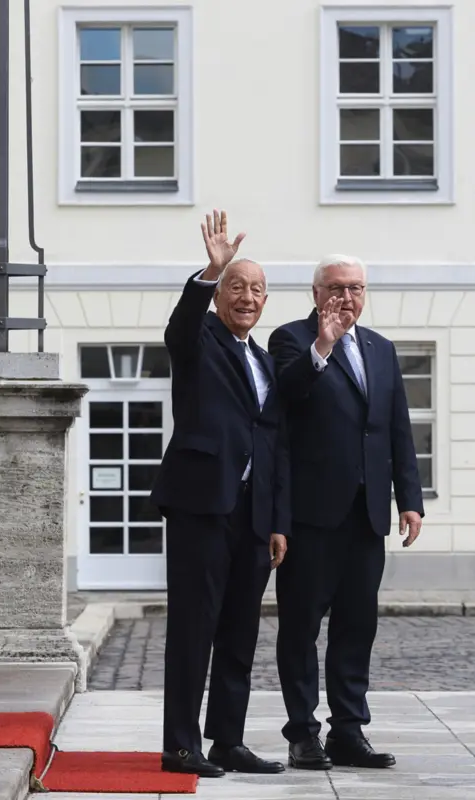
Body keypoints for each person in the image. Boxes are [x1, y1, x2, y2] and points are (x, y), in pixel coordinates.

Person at [267, 254, 424, 771]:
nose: (346, 298)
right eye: (336, 288)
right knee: (300, 629)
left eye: (355, 288)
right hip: (310, 517)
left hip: (367, 515)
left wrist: (411, 499)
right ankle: (303, 733)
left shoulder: (381, 349)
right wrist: (324, 345)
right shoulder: (290, 340)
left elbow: (396, 426)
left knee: (357, 627)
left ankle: (349, 731)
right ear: (315, 293)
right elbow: (287, 398)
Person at [149, 210, 290, 778]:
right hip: (200, 506)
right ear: (220, 295)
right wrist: (210, 270)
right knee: (193, 630)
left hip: (253, 517)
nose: (248, 297)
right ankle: (181, 746)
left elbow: (273, 443)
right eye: (237, 287)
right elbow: (178, 327)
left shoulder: (263, 359)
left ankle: (228, 740)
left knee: (238, 633)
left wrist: (278, 519)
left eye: (257, 289)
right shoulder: (199, 337)